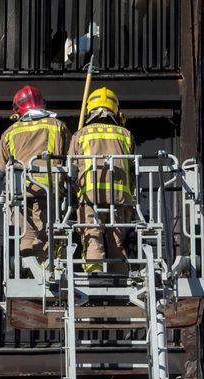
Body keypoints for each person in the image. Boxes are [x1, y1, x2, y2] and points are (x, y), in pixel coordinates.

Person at [0, 85, 71, 269]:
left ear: (18, 109)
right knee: (46, 236)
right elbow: (71, 159)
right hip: (50, 193)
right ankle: (43, 273)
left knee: (25, 235)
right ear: (42, 104)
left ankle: (27, 271)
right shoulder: (58, 126)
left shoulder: (10, 132)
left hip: (20, 194)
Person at [67, 87, 136, 273]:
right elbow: (133, 170)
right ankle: (119, 275)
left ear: (90, 109)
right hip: (120, 197)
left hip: (91, 197)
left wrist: (73, 194)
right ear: (115, 109)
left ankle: (95, 273)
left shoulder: (80, 135)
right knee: (117, 240)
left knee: (92, 237)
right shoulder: (125, 135)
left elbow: (70, 170)